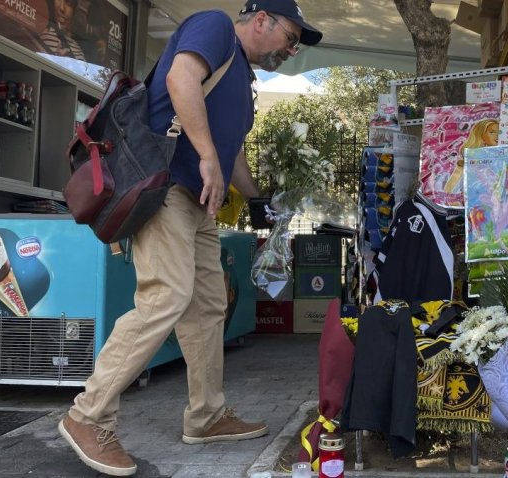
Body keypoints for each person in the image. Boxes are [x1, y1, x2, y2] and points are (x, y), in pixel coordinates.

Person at [57, 2, 322, 476]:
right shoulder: (214, 26)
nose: (291, 48)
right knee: (167, 296)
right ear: (261, 18)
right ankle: (87, 415)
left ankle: (206, 416)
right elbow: (181, 81)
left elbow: (230, 150)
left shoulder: (242, 77)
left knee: (206, 306)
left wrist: (257, 198)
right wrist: (207, 158)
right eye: (291, 36)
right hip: (166, 191)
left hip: (199, 202)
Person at [444, 118, 499, 192]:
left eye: (499, 132)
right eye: (492, 132)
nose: (497, 136)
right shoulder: (471, 158)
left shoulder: (502, 156)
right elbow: (450, 188)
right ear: (481, 135)